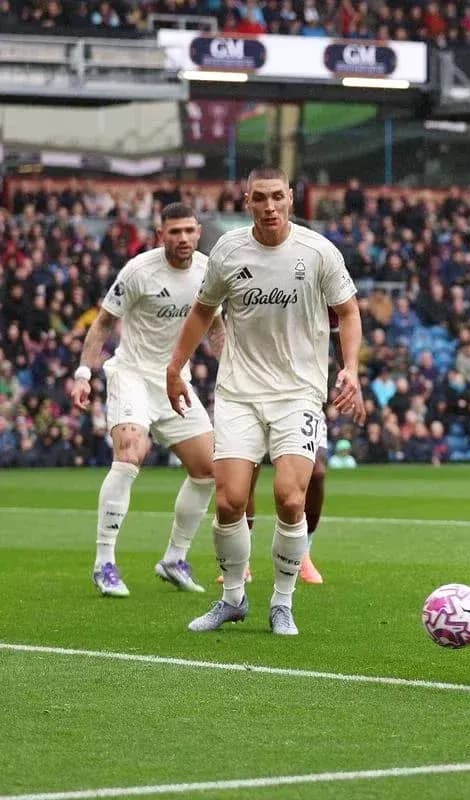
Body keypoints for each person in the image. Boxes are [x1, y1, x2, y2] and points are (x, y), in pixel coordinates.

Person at [166, 166, 364, 636]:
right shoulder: (229, 251)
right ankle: (232, 598)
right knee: (231, 500)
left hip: (299, 393)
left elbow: (348, 311)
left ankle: (282, 602)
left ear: (291, 198)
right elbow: (201, 311)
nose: (269, 206)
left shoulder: (318, 252)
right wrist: (174, 367)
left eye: (277, 196)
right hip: (238, 393)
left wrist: (351, 367)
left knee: (289, 497)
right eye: (260, 198)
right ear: (247, 201)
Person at [71, 203, 224, 598]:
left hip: (175, 380)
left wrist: (234, 373)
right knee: (131, 452)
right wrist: (84, 374)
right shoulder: (139, 271)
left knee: (208, 469)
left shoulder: (208, 270)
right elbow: (104, 322)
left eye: (190, 231)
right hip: (133, 375)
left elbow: (217, 327)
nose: (184, 239)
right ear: (161, 235)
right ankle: (104, 562)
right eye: (175, 232)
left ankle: (174, 558)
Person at [230, 307, 344, 586]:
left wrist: (348, 373)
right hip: (253, 389)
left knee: (316, 472)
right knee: (247, 474)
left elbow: (341, 328)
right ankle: (241, 559)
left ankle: (303, 550)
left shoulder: (319, 280)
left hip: (302, 394)